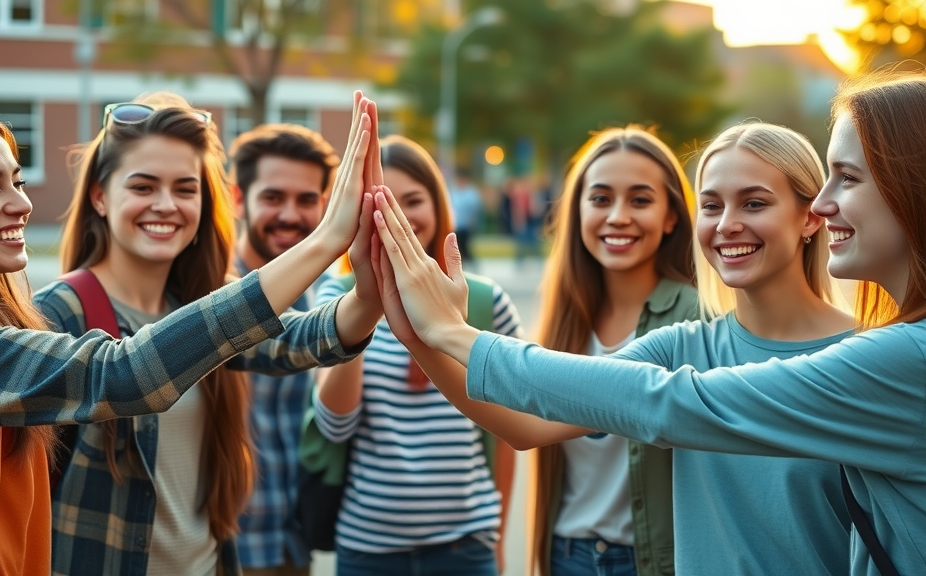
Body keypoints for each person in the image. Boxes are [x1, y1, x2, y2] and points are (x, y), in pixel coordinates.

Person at [373, 73, 926, 576]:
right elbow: (524, 426)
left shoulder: (875, 360)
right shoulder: (681, 346)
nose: (728, 224)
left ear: (806, 217)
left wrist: (453, 331)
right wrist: (418, 334)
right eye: (711, 205)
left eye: (754, 203)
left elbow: (664, 402)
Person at [0, 92, 379, 576]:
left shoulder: (9, 319)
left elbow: (294, 341)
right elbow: (126, 372)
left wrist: (369, 294)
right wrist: (323, 242)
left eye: (18, 183)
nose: (22, 204)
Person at [378, 127, 699, 576]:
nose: (618, 216)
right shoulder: (565, 318)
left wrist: (442, 331)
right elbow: (519, 426)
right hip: (568, 555)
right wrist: (418, 338)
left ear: (671, 216)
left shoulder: (694, 319)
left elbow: (527, 429)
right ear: (578, 209)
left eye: (640, 200)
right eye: (601, 198)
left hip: (654, 562)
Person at [314, 135, 519, 576]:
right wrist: (363, 305)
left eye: (413, 201)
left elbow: (510, 432)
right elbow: (334, 423)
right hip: (369, 549)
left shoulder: (485, 301)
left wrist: (498, 536)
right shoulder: (335, 297)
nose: (399, 218)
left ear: (438, 205)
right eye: (382, 204)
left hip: (467, 545)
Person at [227, 123, 338, 576]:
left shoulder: (326, 302)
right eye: (273, 197)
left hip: (294, 547)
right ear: (239, 199)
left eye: (306, 199)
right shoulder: (202, 298)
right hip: (223, 548)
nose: (290, 215)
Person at [449, 168, 483, 263]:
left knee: (465, 246)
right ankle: (462, 263)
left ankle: (471, 262)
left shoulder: (471, 193)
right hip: (456, 224)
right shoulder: (454, 192)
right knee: (457, 246)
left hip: (466, 225)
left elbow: (475, 209)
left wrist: (473, 222)